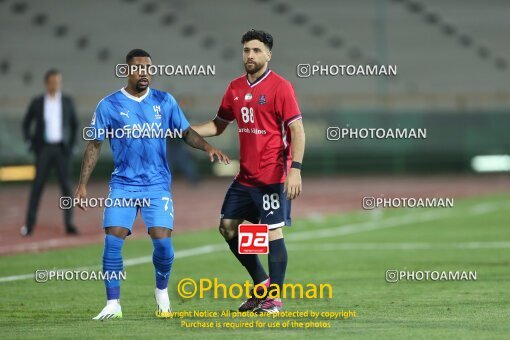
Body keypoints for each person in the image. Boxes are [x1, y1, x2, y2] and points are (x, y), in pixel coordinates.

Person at [74, 49, 229, 320]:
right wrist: (82, 185)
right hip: (122, 184)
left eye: (148, 67)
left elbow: (185, 133)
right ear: (126, 71)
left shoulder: (164, 101)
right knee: (112, 241)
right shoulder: (108, 105)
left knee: (163, 245)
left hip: (157, 185)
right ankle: (113, 303)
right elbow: (95, 144)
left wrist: (208, 148)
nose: (144, 72)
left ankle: (161, 293)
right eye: (138, 67)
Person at [192, 30, 306, 314]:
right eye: (246, 50)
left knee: (271, 233)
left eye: (256, 50)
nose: (250, 55)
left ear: (268, 54)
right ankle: (262, 284)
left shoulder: (281, 87)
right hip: (245, 177)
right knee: (227, 227)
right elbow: (218, 125)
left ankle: (274, 299)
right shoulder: (234, 88)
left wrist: (296, 170)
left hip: (273, 175)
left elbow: (297, 131)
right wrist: (183, 130)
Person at [21, 69, 78, 236]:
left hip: (62, 149)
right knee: (37, 186)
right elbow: (26, 123)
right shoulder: (38, 101)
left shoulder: (67, 101)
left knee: (66, 187)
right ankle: (29, 225)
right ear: (46, 83)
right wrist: (29, 142)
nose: (55, 85)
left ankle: (69, 224)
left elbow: (74, 125)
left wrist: (72, 145)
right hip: (44, 149)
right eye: (52, 81)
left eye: (58, 81)